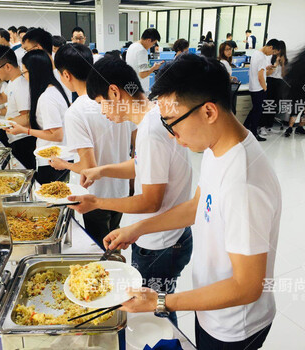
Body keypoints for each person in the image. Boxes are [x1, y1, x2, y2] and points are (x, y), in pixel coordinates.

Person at [103, 53, 281, 350]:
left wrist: (162, 301)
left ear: (208, 112)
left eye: (174, 123)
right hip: (212, 304)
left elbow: (248, 287)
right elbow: (198, 206)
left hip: (236, 324)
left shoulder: (244, 182)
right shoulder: (217, 147)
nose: (173, 136)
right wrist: (138, 229)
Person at [67, 57, 193, 326]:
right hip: (169, 236)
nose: (103, 112)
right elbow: (141, 166)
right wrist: (101, 170)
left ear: (115, 92)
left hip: (160, 243)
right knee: (159, 306)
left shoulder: (150, 130)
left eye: (102, 103)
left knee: (155, 315)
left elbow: (150, 201)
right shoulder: (155, 117)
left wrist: (97, 202)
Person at [49, 44, 137, 248]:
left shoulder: (76, 111)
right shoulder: (119, 101)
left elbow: (88, 166)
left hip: (95, 196)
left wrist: (64, 164)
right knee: (115, 243)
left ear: (66, 75)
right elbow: (135, 147)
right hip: (121, 190)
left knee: (101, 248)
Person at [6, 50, 70, 184]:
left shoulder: (47, 97)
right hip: (53, 157)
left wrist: (24, 131)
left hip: (53, 161)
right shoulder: (53, 90)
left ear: (34, 71)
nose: (24, 77)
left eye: (25, 73)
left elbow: (57, 135)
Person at [22, 28, 72, 103]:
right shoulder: (40, 74)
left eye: (27, 50)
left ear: (37, 49)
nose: (26, 55)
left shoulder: (60, 76)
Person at [243, 39, 280, 141]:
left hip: (253, 87)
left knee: (254, 110)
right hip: (258, 88)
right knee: (257, 112)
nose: (271, 54)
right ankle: (254, 134)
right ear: (270, 47)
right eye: (272, 52)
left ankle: (244, 128)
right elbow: (260, 76)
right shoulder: (262, 57)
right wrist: (265, 88)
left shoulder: (256, 53)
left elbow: (259, 71)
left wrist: (266, 68)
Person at [260, 40, 288, 135]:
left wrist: (283, 64)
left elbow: (283, 75)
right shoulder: (269, 57)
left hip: (279, 82)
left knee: (273, 106)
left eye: (279, 50)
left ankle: (269, 126)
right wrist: (276, 63)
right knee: (267, 104)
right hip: (270, 81)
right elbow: (267, 73)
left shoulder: (284, 59)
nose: (277, 51)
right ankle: (262, 126)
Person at [284, 43, 305, 137]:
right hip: (304, 89)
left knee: (299, 109)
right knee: (303, 110)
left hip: (299, 88)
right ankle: (295, 128)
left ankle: (293, 128)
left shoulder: (302, 59)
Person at [126, 28, 163, 95]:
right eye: (153, 43)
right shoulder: (142, 51)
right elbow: (142, 74)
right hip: (140, 89)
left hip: (131, 86)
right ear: (148, 40)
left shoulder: (132, 46)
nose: (152, 46)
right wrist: (154, 68)